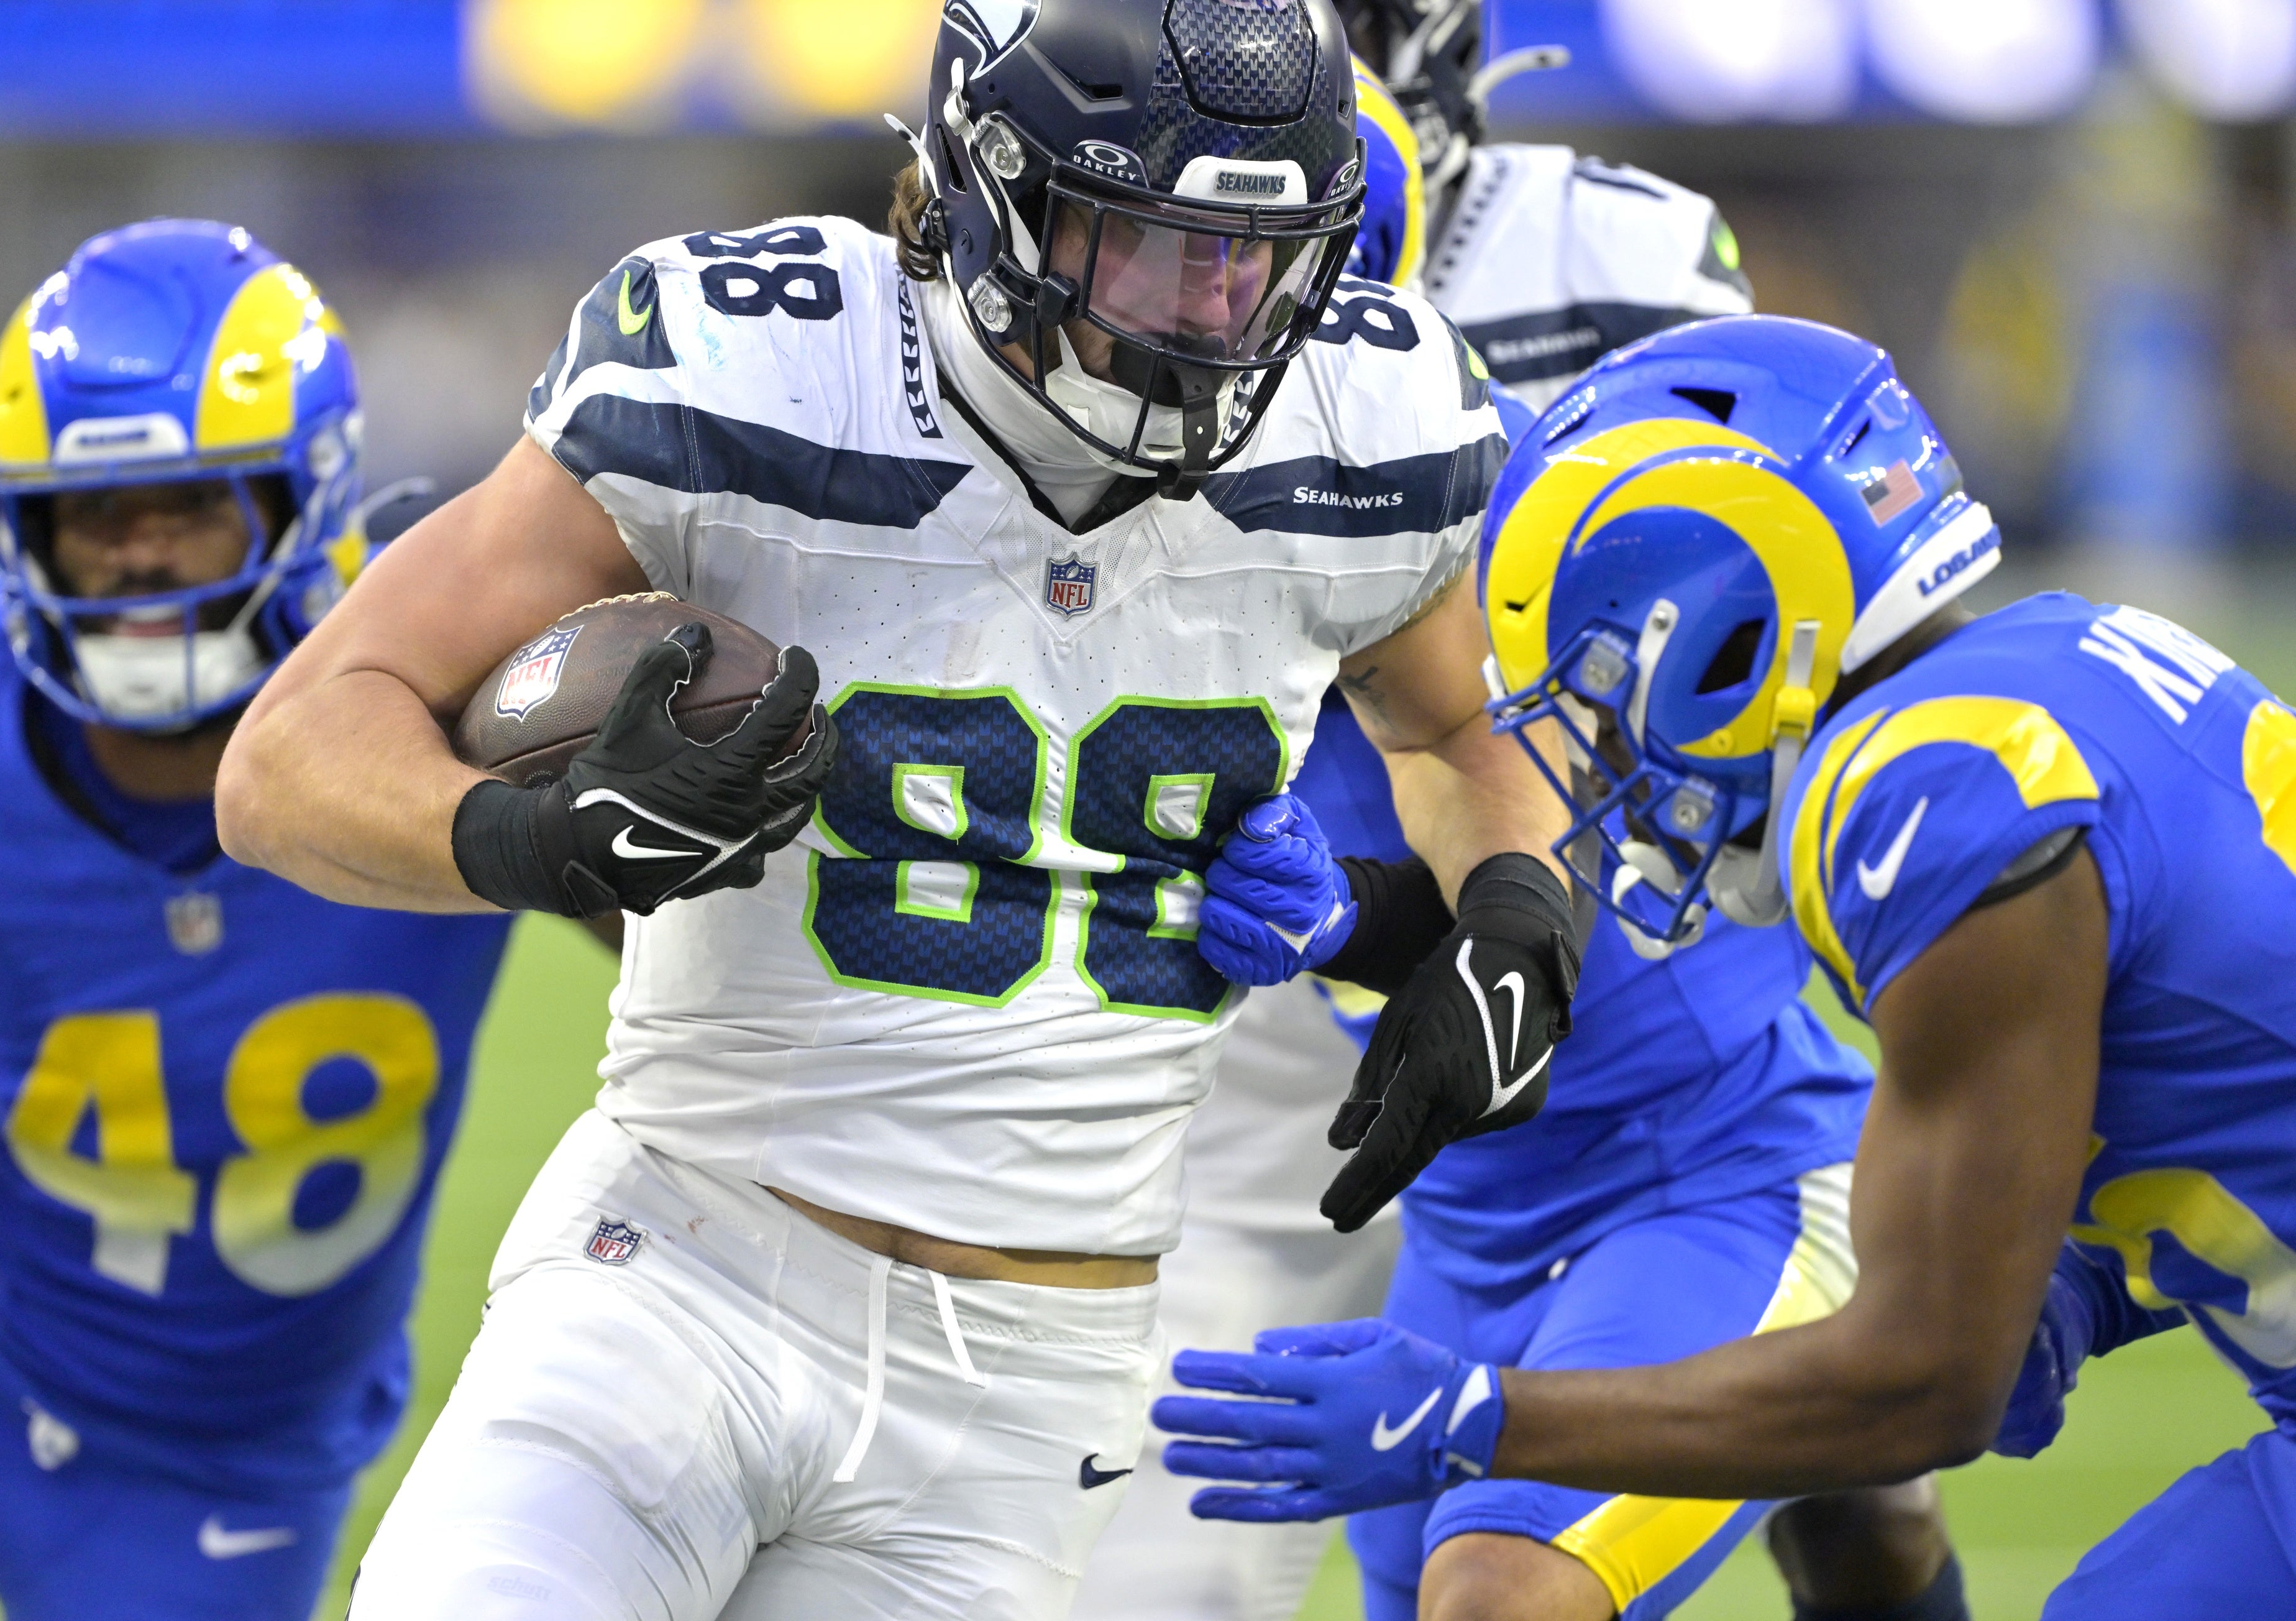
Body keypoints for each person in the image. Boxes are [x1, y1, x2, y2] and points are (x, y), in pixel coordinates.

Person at [213, 1, 1582, 1616]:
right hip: (683, 1271)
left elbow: (1466, 737)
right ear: (996, 191)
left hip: (1032, 1384)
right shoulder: (766, 364)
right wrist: (533, 838)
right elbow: (291, 750)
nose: (1220, 317)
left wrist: (1515, 912)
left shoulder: (1377, 417)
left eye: (1259, 258)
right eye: (1157, 245)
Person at [1156, 312, 2296, 1617]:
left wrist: (1477, 1414)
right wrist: (2087, 1292)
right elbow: (2240, 1088)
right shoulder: (2037, 668)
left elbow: (1927, 1382)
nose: (1595, 756)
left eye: (1595, 683)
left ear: (1723, 627)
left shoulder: (1931, 795)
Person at [1081, 8, 1963, 1620]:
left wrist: (1373, 907)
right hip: (1469, 1214)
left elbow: (1568, 864)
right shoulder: (1120, 500)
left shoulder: (1458, 485)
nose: (1178, 308)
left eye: (1227, 265)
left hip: (1709, 1150)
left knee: (1517, 1592)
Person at [0, 219, 515, 1620]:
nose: (139, 556)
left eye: (191, 501)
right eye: (94, 514)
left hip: (213, 1470)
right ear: (18, 523)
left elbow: (718, 1000)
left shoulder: (459, 707)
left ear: (303, 497)